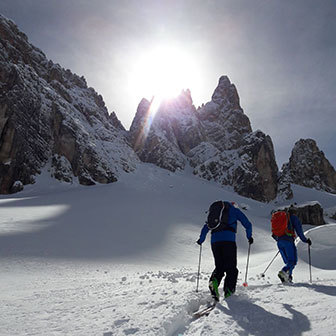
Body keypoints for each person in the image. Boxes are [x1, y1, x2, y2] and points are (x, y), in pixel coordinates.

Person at [196, 201, 253, 301]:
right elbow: (247, 224)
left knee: (220, 267)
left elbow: (206, 227)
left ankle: (213, 282)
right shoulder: (234, 210)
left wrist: (201, 240)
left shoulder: (216, 214)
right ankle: (229, 292)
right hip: (228, 241)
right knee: (231, 268)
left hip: (215, 242)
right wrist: (249, 236)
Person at [273, 207, 312, 283]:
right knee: (292, 261)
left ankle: (288, 277)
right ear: (294, 212)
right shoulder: (293, 218)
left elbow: (274, 233)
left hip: (279, 242)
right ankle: (283, 272)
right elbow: (299, 231)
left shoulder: (281, 219)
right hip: (288, 241)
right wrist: (306, 240)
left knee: (288, 262)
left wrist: (281, 240)